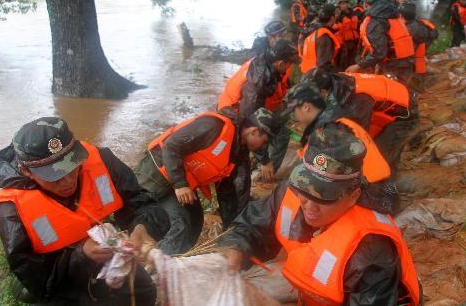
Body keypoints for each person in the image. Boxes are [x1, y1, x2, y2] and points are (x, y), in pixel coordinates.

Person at [220, 127, 422, 306]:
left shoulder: (371, 249)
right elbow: (251, 223)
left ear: (353, 196)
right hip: (309, 282)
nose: (309, 205)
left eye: (324, 197)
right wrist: (236, 246)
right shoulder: (291, 193)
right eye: (305, 191)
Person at [0, 117, 170, 305]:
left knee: (144, 293)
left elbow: (140, 201)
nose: (68, 181)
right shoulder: (11, 211)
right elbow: (39, 280)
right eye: (55, 176)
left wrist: (142, 226)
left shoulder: (101, 160)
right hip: (63, 277)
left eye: (72, 167)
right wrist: (80, 254)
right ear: (26, 171)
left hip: (107, 257)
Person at [134, 107, 281, 255]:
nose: (264, 147)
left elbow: (226, 190)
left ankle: (169, 256)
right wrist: (181, 184)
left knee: (195, 218)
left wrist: (231, 225)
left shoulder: (236, 149)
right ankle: (157, 265)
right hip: (155, 174)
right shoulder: (213, 126)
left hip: (175, 181)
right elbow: (171, 146)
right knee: (183, 222)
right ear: (254, 131)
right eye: (265, 141)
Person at [281, 82, 398, 214]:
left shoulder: (333, 132)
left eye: (294, 112)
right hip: (374, 185)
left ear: (306, 107)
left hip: (372, 191)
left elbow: (327, 178)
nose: (295, 117)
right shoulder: (335, 123)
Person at [217, 39, 300, 180]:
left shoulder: (266, 60)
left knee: (282, 133)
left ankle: (261, 169)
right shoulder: (257, 84)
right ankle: (263, 175)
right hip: (234, 116)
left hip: (243, 109)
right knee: (240, 164)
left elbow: (279, 84)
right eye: (289, 65)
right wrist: (264, 159)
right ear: (281, 63)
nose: (289, 69)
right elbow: (249, 121)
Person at [346, 0, 415, 86]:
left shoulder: (375, 21)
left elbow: (379, 53)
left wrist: (358, 66)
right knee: (401, 92)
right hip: (405, 62)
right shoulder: (393, 14)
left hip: (393, 65)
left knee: (392, 96)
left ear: (365, 4)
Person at [300, 4, 342, 73]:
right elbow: (324, 65)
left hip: (307, 73)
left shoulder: (311, 30)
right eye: (336, 14)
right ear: (332, 18)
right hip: (317, 76)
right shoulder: (324, 36)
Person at [399, 1, 438, 75]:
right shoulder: (422, 25)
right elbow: (434, 33)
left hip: (406, 64)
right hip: (418, 63)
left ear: (401, 15)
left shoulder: (405, 28)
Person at [333, 0, 361, 70]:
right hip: (344, 41)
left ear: (348, 4)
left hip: (354, 39)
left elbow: (358, 26)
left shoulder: (354, 13)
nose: (343, 5)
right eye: (341, 4)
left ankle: (351, 71)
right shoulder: (338, 16)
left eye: (344, 3)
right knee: (343, 59)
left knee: (352, 58)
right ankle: (342, 72)